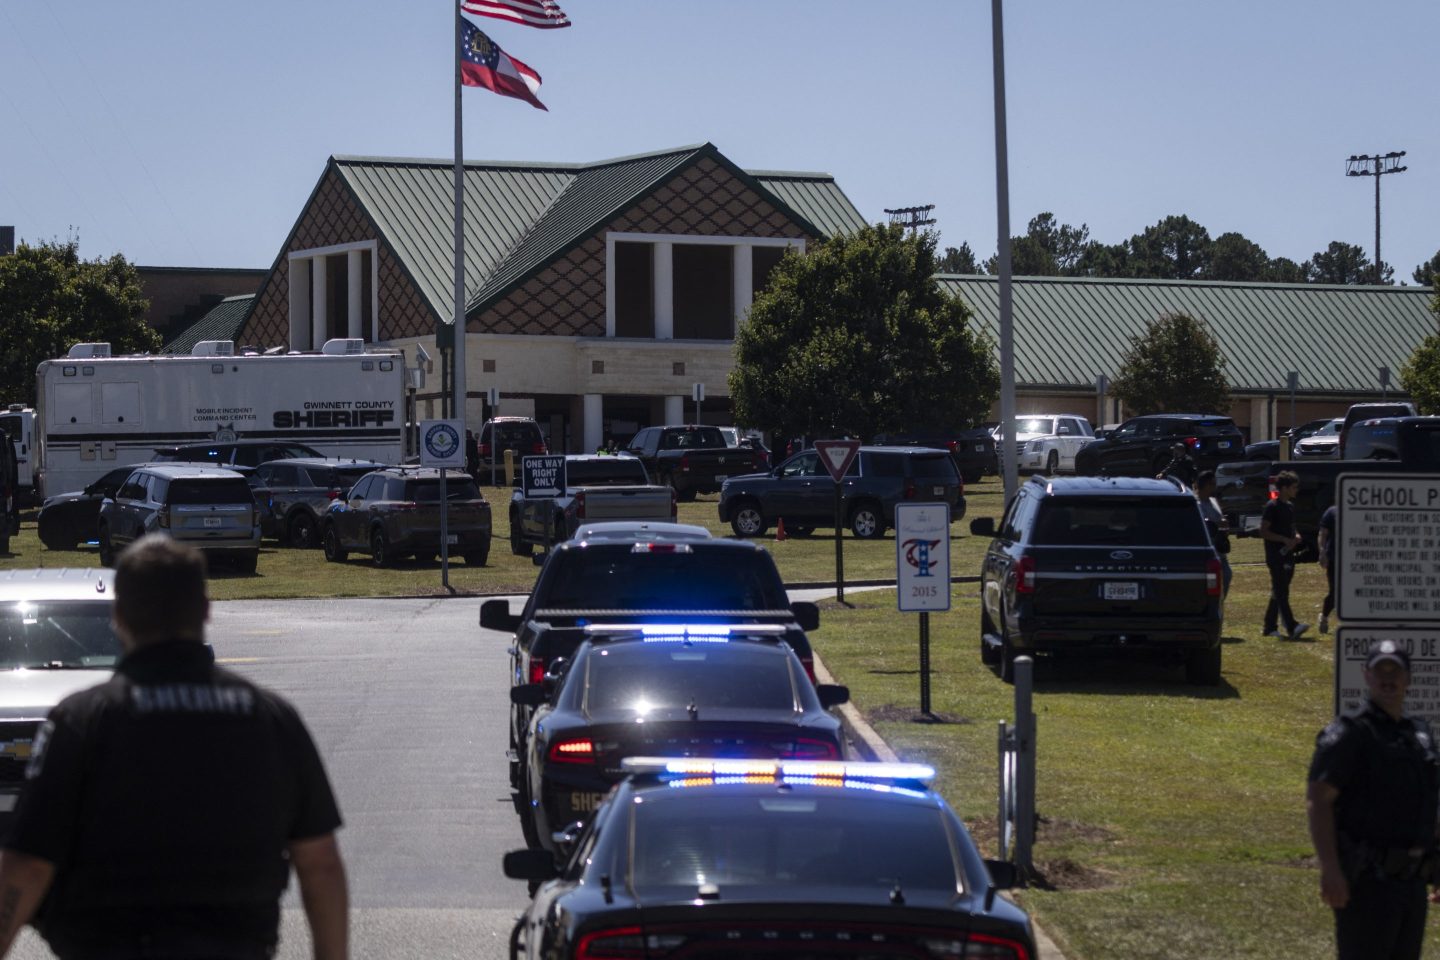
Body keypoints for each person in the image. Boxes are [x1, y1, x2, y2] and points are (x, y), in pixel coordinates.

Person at [0, 535, 349, 960]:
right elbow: (320, 863)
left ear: (120, 616)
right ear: (205, 610)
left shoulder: (83, 722)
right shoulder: (270, 718)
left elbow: (29, 866)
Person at [1307, 639, 1439, 960]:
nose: (1388, 679)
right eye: (1381, 671)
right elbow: (1319, 801)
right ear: (1366, 676)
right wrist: (1330, 869)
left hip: (1412, 884)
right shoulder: (1350, 734)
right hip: (1367, 884)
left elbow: (1429, 803)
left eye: (1396, 672)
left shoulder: (1418, 736)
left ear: (1408, 679)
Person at [1260, 470, 1308, 639]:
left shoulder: (1289, 507)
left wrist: (1296, 536)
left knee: (1279, 591)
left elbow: (1292, 527)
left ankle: (1269, 626)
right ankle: (1292, 626)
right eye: (1294, 487)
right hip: (1275, 555)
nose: (1297, 490)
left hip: (1288, 555)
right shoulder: (1272, 507)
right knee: (1281, 592)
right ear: (1285, 488)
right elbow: (1264, 531)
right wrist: (1282, 539)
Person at [1194, 470, 1232, 598]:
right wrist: (1216, 524)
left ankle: (1218, 604)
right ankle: (1211, 605)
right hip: (1208, 551)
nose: (1214, 487)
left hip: (1220, 548)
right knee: (1212, 580)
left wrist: (1225, 525)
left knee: (1227, 575)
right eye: (1212, 484)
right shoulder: (1195, 504)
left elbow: (1221, 519)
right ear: (1205, 485)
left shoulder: (1213, 501)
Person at [1318, 503, 1338, 634]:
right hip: (1334, 557)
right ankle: (1324, 617)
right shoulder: (1331, 512)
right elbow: (1323, 534)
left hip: (1353, 559)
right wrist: (1322, 552)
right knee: (1335, 592)